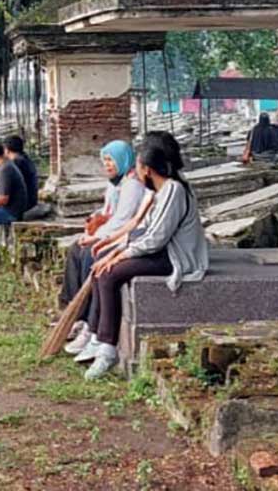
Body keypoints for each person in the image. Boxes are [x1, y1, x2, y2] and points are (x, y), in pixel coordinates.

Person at [76, 133, 208, 380]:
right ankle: (95, 334)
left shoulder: (173, 191)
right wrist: (113, 249)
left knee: (109, 273)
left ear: (147, 169)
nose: (135, 172)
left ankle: (107, 349)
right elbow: (140, 228)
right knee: (101, 265)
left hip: (173, 257)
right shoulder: (161, 191)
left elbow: (155, 238)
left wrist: (119, 257)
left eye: (138, 166)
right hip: (158, 250)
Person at [61, 140, 147, 355]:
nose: (107, 165)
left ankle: (91, 321)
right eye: (105, 160)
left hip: (125, 237)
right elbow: (108, 210)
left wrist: (97, 238)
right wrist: (95, 219)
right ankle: (74, 312)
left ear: (123, 160)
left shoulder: (132, 185)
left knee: (92, 255)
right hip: (111, 233)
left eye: (111, 160)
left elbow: (123, 219)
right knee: (74, 251)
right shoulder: (115, 183)